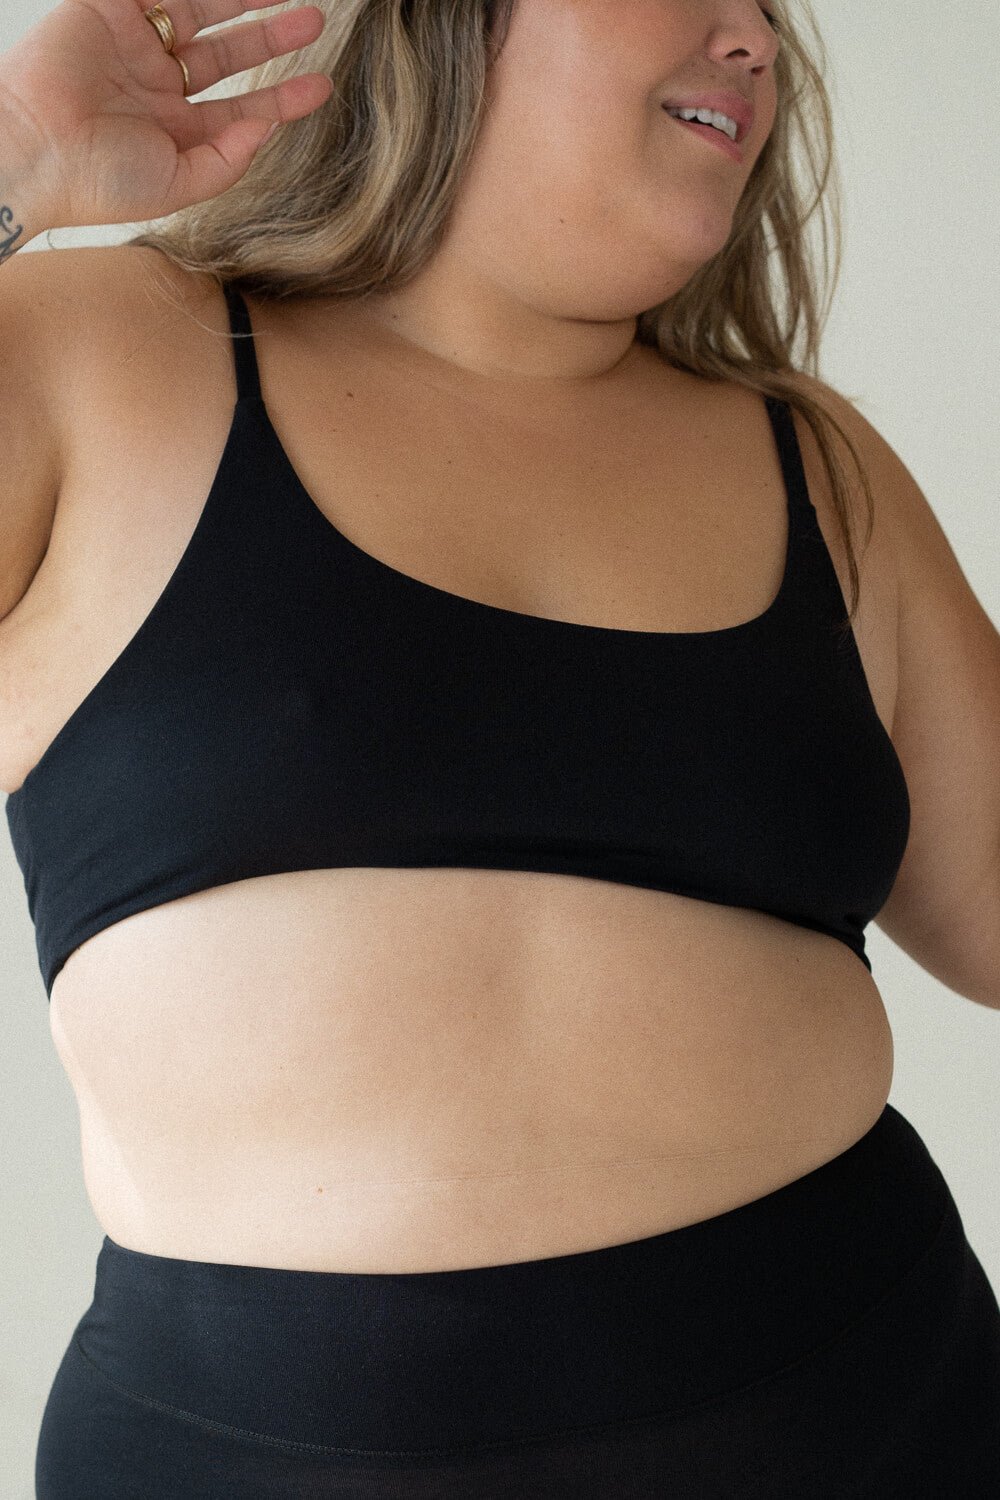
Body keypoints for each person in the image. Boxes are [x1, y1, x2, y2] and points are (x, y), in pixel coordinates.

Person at [1, 1, 999, 1494]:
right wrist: (10, 162)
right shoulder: (99, 355)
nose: (754, 37)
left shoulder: (821, 469)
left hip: (877, 1420)